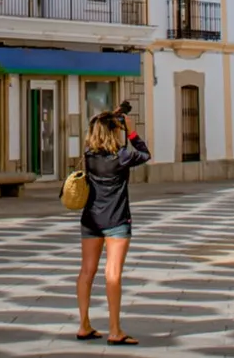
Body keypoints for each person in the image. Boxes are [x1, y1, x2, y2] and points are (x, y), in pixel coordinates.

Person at [75, 105, 149, 345]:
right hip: (116, 220)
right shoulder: (122, 156)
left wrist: (109, 117)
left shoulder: (89, 155)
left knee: (87, 272)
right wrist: (132, 132)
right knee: (113, 274)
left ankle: (84, 325)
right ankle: (115, 330)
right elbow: (145, 154)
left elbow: (97, 128)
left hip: (91, 220)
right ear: (112, 131)